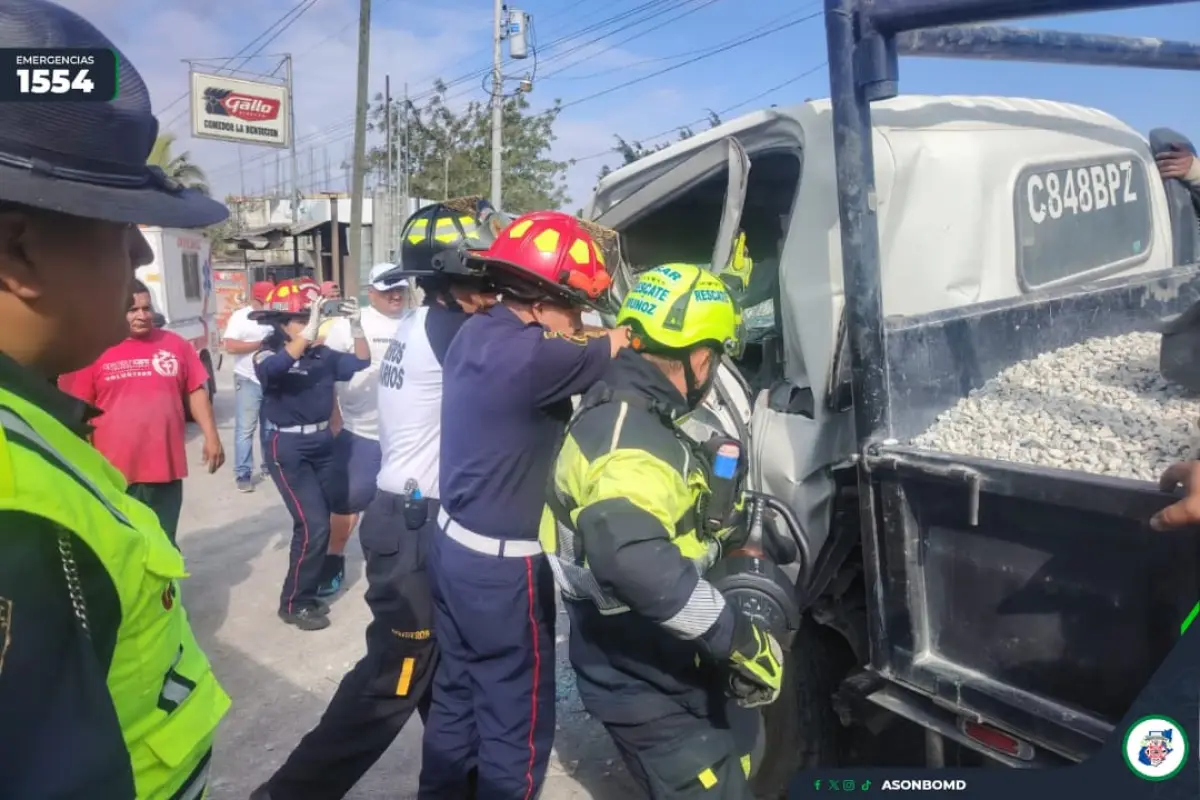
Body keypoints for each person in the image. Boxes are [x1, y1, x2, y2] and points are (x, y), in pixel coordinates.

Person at [0, 0, 230, 796]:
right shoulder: (13, 517)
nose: (138, 256)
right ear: (18, 247)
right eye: (118, 223)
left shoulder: (28, 420)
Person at [251, 203, 497, 800]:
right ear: (451, 276)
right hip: (412, 531)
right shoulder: (451, 328)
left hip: (414, 521)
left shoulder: (421, 320)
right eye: (485, 278)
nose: (494, 293)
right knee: (393, 679)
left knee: (444, 677)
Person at [540, 263, 784, 799]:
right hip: (644, 682)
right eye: (715, 359)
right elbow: (632, 560)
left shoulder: (634, 403)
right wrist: (736, 638)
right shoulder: (628, 441)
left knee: (741, 752)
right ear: (699, 358)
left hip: (661, 659)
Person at [419, 210, 630, 799]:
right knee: (517, 726)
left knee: (456, 704)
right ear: (539, 300)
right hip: (504, 574)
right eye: (575, 306)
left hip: (453, 550)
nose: (581, 320)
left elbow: (577, 337)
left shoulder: (478, 332)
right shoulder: (542, 359)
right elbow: (621, 340)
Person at [59, 277, 225, 543]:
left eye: (146, 309)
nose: (142, 315)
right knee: (124, 544)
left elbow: (195, 390)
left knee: (164, 542)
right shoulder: (93, 349)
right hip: (114, 472)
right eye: (133, 309)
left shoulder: (175, 345)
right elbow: (77, 410)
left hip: (165, 467)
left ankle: (166, 586)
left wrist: (212, 436)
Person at [253, 280, 371, 630]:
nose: (307, 321)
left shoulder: (321, 354)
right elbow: (271, 372)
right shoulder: (267, 352)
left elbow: (361, 361)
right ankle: (295, 602)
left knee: (318, 521)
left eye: (310, 314)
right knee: (313, 524)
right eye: (299, 317)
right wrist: (308, 332)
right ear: (278, 322)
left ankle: (309, 586)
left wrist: (356, 325)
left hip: (321, 442)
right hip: (287, 447)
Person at [315, 262, 413, 597]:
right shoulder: (349, 325)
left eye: (400, 288)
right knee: (346, 507)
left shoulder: (416, 322)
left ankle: (389, 568)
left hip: (405, 435)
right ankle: (332, 561)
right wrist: (334, 415)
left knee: (399, 508)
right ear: (371, 293)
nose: (395, 295)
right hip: (361, 432)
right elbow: (325, 372)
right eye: (387, 290)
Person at [224, 279, 276, 492]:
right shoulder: (241, 317)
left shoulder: (274, 316)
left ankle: (269, 466)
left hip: (272, 379)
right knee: (246, 429)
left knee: (270, 427)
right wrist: (261, 345)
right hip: (248, 379)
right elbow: (230, 346)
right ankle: (243, 473)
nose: (269, 304)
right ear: (256, 298)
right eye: (266, 300)